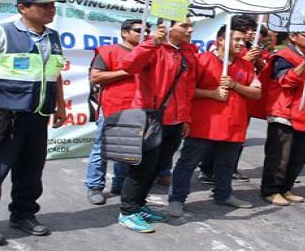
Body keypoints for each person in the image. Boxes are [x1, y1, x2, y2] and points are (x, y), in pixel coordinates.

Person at [0, 0, 67, 246]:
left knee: (31, 170)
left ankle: (24, 214)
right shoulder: (1, 33)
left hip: (37, 114)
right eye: (44, 5)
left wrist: (61, 106)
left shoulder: (53, 37)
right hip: (2, 114)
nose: (50, 9)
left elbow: (55, 73)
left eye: (52, 5)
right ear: (23, 8)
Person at [167, 25, 261, 216]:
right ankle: (177, 198)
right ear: (220, 40)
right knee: (188, 163)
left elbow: (257, 92)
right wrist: (212, 94)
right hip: (204, 124)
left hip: (234, 124)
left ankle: (223, 194)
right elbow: (186, 91)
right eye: (237, 39)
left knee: (227, 164)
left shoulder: (246, 65)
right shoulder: (200, 61)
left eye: (243, 40)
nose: (242, 43)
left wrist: (235, 85)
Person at [117, 18, 197, 233]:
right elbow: (128, 65)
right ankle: (127, 211)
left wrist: (186, 118)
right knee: (142, 168)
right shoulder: (154, 47)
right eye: (184, 26)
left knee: (157, 167)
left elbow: (188, 89)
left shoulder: (188, 52)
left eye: (191, 25)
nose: (190, 29)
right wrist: (152, 43)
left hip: (175, 120)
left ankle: (140, 205)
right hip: (150, 118)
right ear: (169, 28)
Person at [84, 19, 148, 205]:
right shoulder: (109, 51)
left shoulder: (148, 54)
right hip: (113, 105)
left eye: (147, 30)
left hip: (137, 107)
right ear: (124, 33)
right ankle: (94, 185)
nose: (143, 33)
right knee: (102, 147)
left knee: (128, 147)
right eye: (138, 30)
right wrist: (127, 71)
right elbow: (96, 77)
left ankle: (120, 183)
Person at [260, 31, 305, 206]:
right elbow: (286, 81)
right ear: (294, 36)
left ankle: (286, 187)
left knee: (298, 157)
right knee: (279, 156)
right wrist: (304, 64)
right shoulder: (283, 56)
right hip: (285, 112)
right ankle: (270, 190)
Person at [199, 15, 261, 184]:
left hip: (238, 111)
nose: (249, 35)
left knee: (230, 151)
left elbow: (257, 88)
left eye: (251, 30)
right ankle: (204, 172)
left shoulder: (248, 53)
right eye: (244, 31)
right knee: (203, 149)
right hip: (210, 114)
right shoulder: (209, 55)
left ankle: (224, 189)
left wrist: (254, 60)